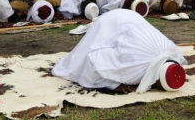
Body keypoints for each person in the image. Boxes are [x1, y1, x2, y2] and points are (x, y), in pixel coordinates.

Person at [52, 9, 186, 94]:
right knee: (87, 51)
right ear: (156, 78)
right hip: (110, 22)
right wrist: (113, 84)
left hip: (132, 17)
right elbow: (92, 60)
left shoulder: (172, 53)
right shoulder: (133, 72)